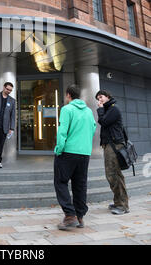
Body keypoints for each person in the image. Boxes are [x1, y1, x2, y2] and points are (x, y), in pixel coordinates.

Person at [54, 84, 96, 230]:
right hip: (84, 153)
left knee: (60, 181)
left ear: (68, 95)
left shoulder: (67, 109)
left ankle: (69, 215)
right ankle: (80, 216)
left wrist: (59, 149)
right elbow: (93, 128)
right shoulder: (89, 112)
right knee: (80, 184)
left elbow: (62, 131)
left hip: (68, 152)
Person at [95, 89, 129, 215]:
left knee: (114, 174)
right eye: (98, 98)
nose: (100, 100)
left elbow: (103, 121)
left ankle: (123, 206)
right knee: (113, 174)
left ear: (108, 96)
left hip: (114, 145)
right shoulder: (109, 109)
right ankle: (118, 202)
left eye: (101, 97)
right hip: (109, 145)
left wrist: (100, 109)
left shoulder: (113, 108)